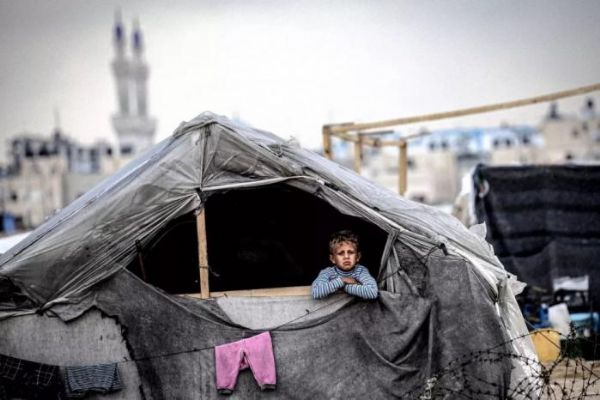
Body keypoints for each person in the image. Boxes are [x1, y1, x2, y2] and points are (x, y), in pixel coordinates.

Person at [311, 230, 378, 299]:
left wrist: (345, 287)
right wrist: (342, 280)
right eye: (341, 253)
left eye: (351, 252)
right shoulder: (327, 272)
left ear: (358, 257)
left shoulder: (360, 271)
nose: (346, 257)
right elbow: (315, 292)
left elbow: (372, 292)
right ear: (332, 258)